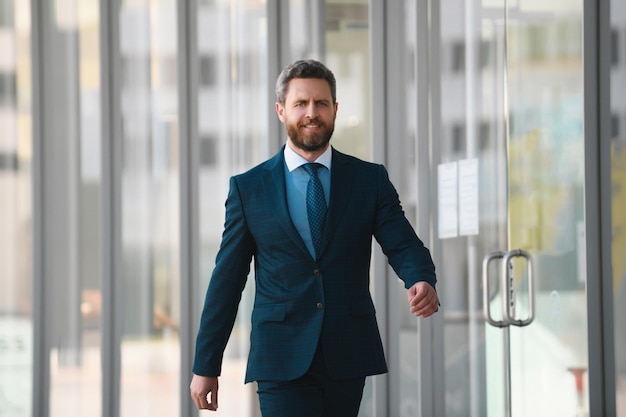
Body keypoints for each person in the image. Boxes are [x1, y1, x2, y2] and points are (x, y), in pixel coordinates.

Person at [189, 59, 439, 417]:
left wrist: (419, 277)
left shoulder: (368, 180)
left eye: (321, 103)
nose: (312, 113)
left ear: (335, 110)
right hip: (280, 355)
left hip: (347, 350)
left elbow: (402, 241)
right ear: (281, 111)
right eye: (300, 104)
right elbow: (227, 281)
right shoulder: (249, 189)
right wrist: (206, 364)